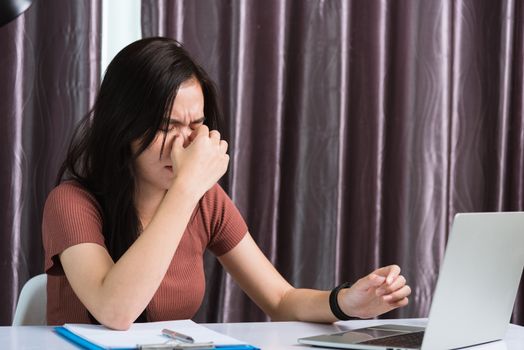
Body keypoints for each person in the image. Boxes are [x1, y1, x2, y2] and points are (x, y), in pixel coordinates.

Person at [42, 37, 411, 330]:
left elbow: (280, 300)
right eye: (168, 126)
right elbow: (115, 311)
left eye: (194, 125)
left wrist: (345, 302)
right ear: (124, 125)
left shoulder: (205, 200)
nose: (184, 143)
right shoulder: (71, 203)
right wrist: (186, 189)